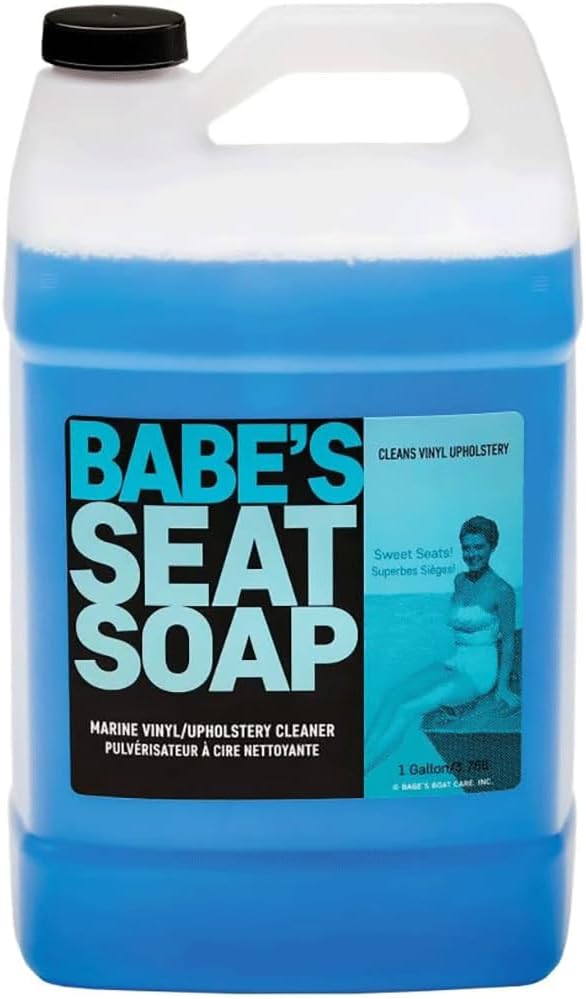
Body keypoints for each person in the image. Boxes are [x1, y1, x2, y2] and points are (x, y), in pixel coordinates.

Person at [365, 516, 520, 774]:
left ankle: (362, 771)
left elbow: (509, 640)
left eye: (479, 547)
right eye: (466, 548)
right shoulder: (460, 581)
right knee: (393, 696)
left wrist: (502, 687)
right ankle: (356, 760)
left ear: (492, 546)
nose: (471, 554)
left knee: (407, 708)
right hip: (456, 661)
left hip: (478, 672)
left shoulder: (502, 591)